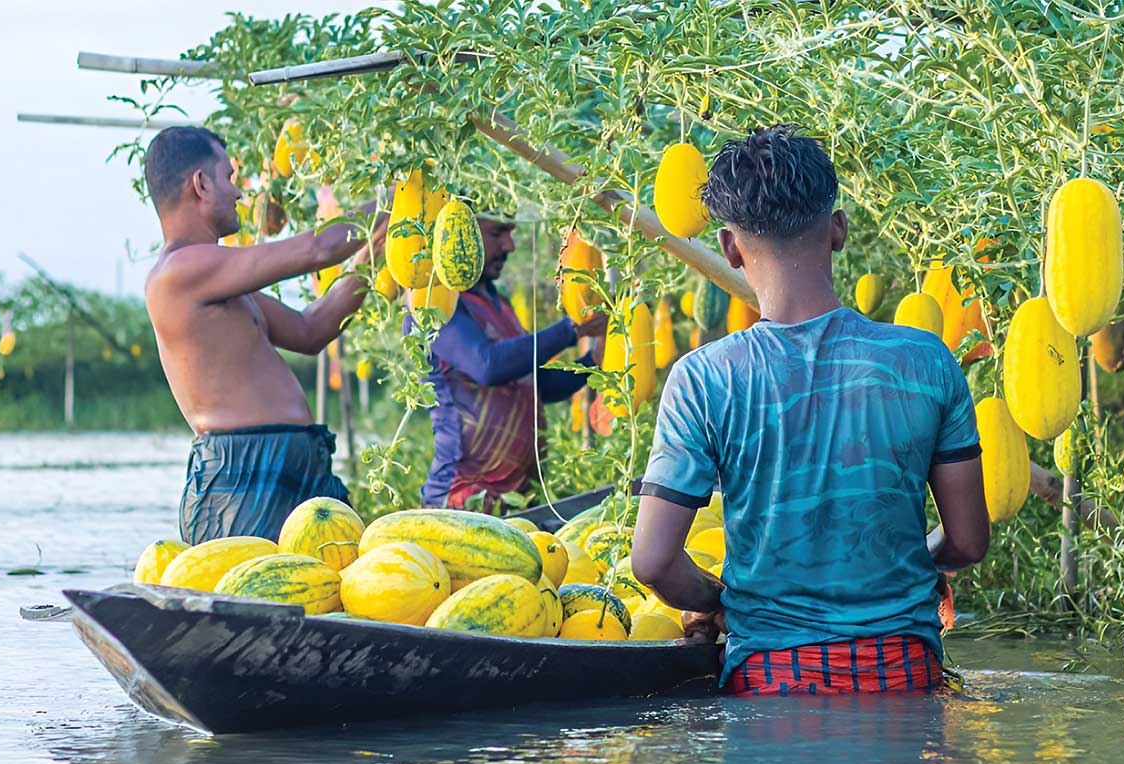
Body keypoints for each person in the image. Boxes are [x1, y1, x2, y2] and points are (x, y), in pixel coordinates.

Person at [629, 126, 989, 696]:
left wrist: (723, 602)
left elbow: (651, 561)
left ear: (728, 247)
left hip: (771, 679)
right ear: (839, 229)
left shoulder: (705, 378)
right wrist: (907, 563)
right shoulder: (926, 361)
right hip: (904, 673)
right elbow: (967, 543)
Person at [140, 125, 385, 543]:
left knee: (331, 596)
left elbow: (311, 329)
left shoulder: (219, 278)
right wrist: (390, 201)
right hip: (244, 472)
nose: (238, 193)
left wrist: (373, 252)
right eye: (229, 177)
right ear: (200, 184)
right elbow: (318, 250)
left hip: (297, 462)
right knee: (255, 601)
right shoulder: (181, 271)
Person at [418, 216, 609, 511]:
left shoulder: (498, 303)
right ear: (462, 231)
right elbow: (488, 365)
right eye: (498, 233)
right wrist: (573, 330)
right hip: (463, 499)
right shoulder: (438, 305)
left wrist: (592, 360)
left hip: (519, 498)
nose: (510, 245)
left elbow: (540, 385)